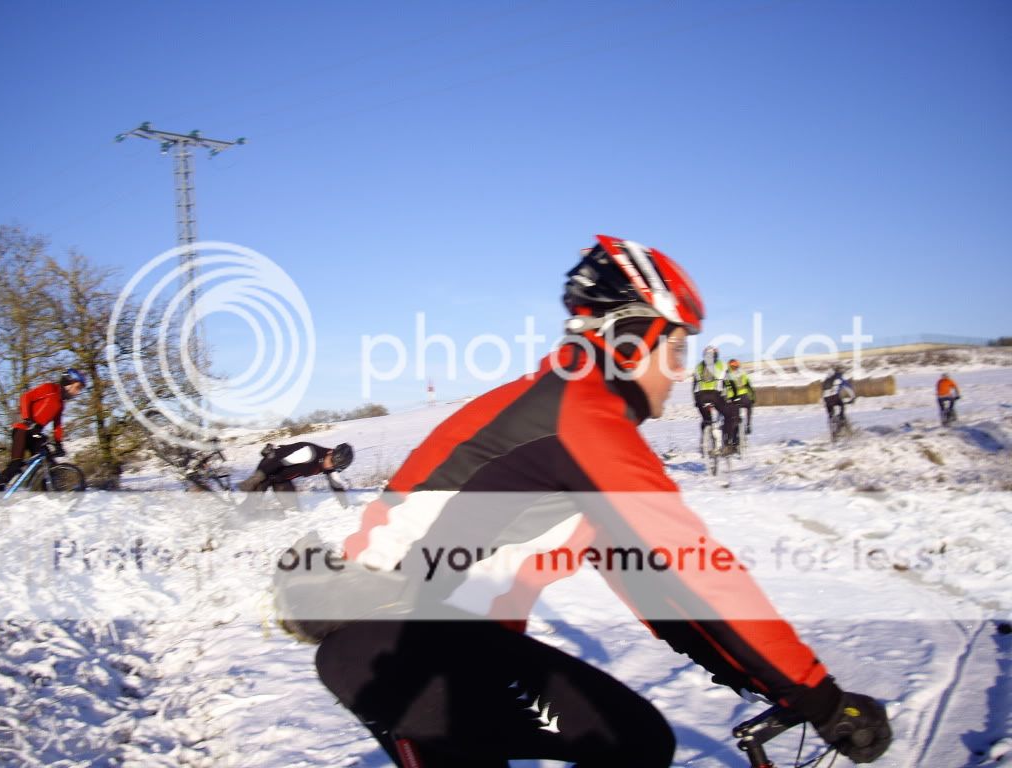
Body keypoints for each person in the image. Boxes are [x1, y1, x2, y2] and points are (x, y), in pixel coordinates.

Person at [304, 236, 890, 766]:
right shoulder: (580, 418)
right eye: (678, 349)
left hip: (439, 643)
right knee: (630, 744)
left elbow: (662, 591)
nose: (682, 372)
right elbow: (698, 571)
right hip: (398, 640)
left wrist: (777, 685)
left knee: (634, 742)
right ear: (634, 342)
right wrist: (820, 696)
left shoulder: (579, 421)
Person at [0, 368, 85, 489]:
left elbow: (57, 425)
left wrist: (59, 443)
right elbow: (25, 397)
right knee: (16, 463)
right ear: (68, 382)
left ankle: (51, 490)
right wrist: (27, 419)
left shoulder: (61, 403)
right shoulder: (49, 388)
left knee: (48, 461)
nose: (77, 392)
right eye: (78, 387)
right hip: (22, 428)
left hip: (34, 432)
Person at [238, 441, 354, 509]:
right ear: (330, 452)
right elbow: (276, 461)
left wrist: (346, 505)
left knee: (293, 510)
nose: (330, 466)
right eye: (331, 461)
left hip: (282, 478)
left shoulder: (330, 465)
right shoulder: (309, 453)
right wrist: (255, 479)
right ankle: (231, 521)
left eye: (334, 467)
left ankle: (270, 516)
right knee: (252, 504)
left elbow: (336, 484)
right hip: (268, 468)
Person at [693, 344, 739, 455]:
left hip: (700, 397)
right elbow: (730, 382)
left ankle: (703, 443)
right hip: (715, 396)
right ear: (716, 355)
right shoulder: (722, 365)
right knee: (728, 415)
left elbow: (693, 385)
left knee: (706, 420)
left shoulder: (698, 367)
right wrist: (735, 396)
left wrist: (696, 401)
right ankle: (728, 444)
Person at [727, 359, 756, 435]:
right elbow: (749, 386)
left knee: (733, 417)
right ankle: (748, 424)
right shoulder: (743, 373)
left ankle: (733, 435)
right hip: (744, 398)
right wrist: (753, 398)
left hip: (732, 399)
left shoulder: (727, 374)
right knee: (749, 407)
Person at [821, 365, 855, 431]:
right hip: (835, 397)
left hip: (826, 399)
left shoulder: (826, 379)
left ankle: (832, 431)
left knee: (831, 414)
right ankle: (841, 418)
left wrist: (823, 402)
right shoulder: (839, 378)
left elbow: (823, 391)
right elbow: (848, 388)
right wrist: (853, 397)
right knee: (842, 405)